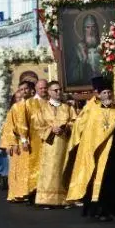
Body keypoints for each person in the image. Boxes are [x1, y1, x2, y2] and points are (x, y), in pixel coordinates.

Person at [64, 76, 115, 221]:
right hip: (97, 155)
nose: (108, 95)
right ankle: (98, 211)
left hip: (114, 154)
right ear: (98, 95)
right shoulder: (92, 111)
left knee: (114, 183)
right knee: (98, 184)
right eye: (104, 93)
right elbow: (81, 129)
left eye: (109, 92)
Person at [33, 81, 76, 209]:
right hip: (50, 145)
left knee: (64, 169)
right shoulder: (42, 108)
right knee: (50, 171)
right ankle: (46, 200)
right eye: (55, 90)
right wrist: (51, 129)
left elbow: (75, 122)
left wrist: (66, 127)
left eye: (59, 90)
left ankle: (64, 199)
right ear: (50, 92)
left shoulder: (67, 108)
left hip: (64, 144)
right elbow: (38, 125)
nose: (58, 92)